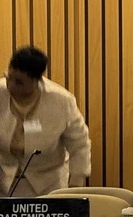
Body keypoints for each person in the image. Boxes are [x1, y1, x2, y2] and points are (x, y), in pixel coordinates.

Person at [0, 46, 91, 197]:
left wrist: (75, 186)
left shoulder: (62, 101)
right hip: (4, 183)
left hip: (49, 185)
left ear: (36, 80)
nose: (10, 85)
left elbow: (79, 145)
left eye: (19, 82)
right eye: (8, 77)